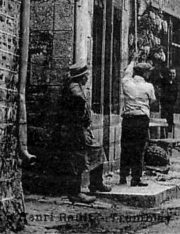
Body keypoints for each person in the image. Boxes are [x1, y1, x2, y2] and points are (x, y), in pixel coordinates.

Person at [59, 63, 111, 204]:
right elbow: (77, 101)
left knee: (97, 151)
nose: (87, 78)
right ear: (81, 77)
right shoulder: (74, 88)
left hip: (80, 129)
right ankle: (75, 193)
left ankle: (95, 183)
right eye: (86, 76)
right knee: (78, 159)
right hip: (75, 130)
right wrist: (82, 119)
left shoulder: (75, 86)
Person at [120, 61, 157, 186]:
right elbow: (153, 101)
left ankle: (123, 176)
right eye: (148, 72)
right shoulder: (148, 87)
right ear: (145, 73)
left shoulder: (127, 83)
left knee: (125, 147)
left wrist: (132, 61)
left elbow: (127, 73)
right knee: (139, 149)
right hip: (141, 120)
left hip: (128, 119)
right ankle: (136, 178)